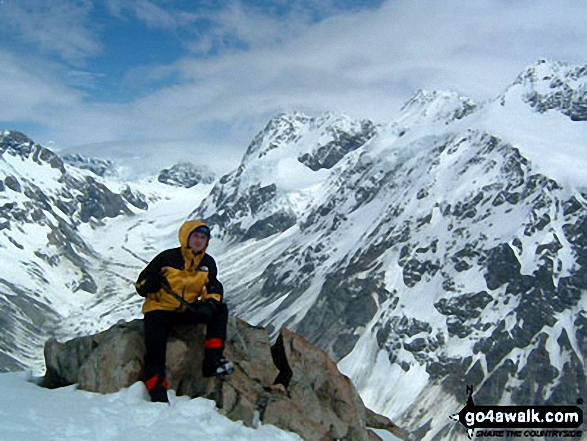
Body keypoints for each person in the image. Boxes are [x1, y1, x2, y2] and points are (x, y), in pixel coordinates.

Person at [135, 219, 234, 403]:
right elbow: (141, 285)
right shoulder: (167, 258)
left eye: (203, 237)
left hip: (184, 309)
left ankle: (213, 360)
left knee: (220, 310)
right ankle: (156, 388)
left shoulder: (207, 263)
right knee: (155, 349)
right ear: (186, 237)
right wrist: (151, 283)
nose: (198, 240)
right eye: (195, 236)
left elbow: (213, 287)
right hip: (160, 309)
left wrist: (210, 304)